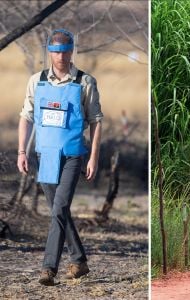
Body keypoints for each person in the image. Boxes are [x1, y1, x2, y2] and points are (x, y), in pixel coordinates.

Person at [17, 29, 103, 286]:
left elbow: (96, 121)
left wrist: (94, 157)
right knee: (59, 210)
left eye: (65, 51)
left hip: (73, 155)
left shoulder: (85, 82)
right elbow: (26, 116)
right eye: (55, 51)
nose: (61, 56)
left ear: (71, 51)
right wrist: (22, 151)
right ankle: (79, 261)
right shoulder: (37, 81)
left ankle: (48, 269)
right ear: (49, 52)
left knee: (59, 209)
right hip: (45, 155)